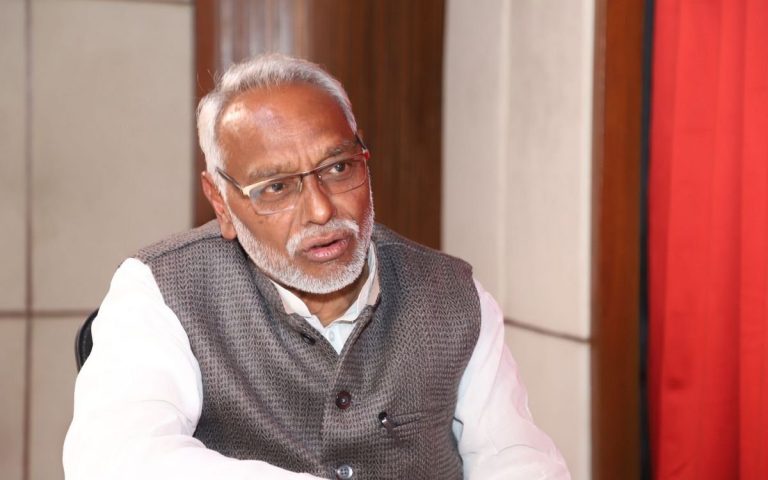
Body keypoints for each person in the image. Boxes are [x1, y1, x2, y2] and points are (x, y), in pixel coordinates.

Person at [63, 53, 570, 480]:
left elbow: (516, 456)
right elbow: (115, 459)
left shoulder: (453, 295)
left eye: (338, 168)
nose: (323, 211)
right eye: (277, 187)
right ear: (220, 202)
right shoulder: (160, 289)